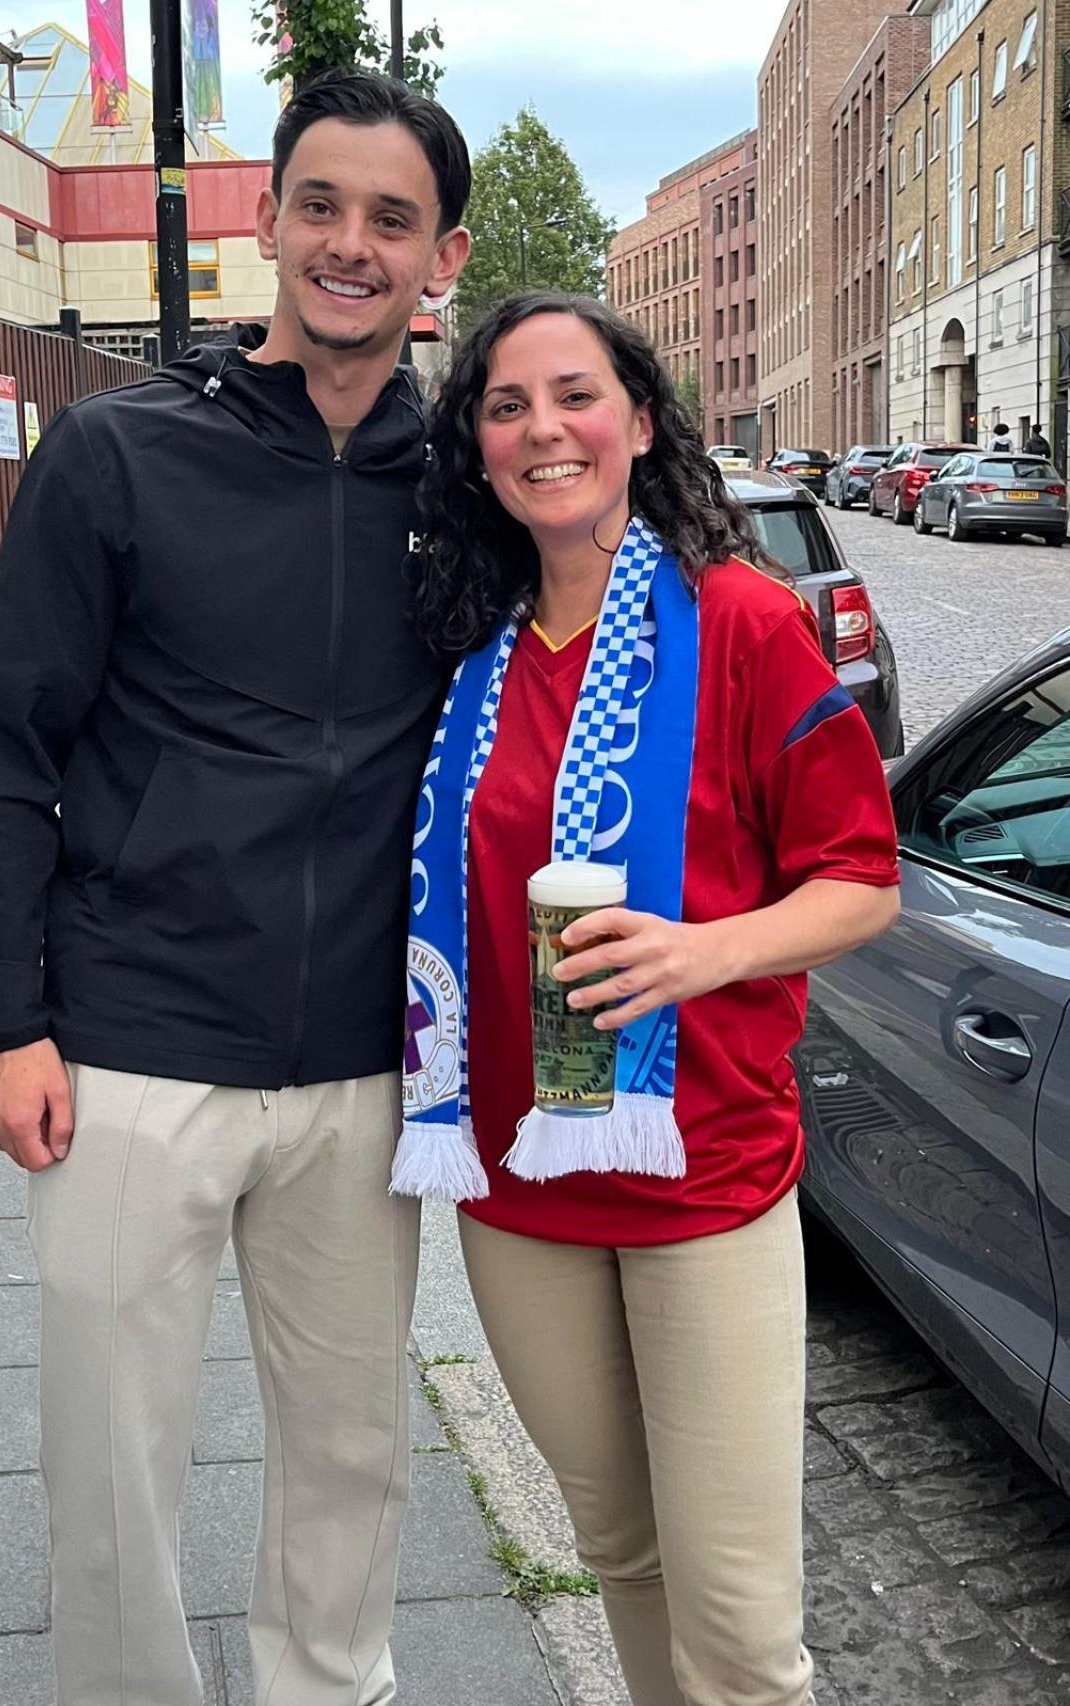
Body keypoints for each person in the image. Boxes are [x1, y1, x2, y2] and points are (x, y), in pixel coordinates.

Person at [0, 71, 470, 1706]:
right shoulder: (117, 453)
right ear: (267, 219)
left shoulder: (463, 493)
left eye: (391, 218)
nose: (350, 244)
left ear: (442, 256)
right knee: (111, 1463)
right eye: (321, 204)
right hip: (131, 1043)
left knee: (354, 1450)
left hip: (362, 1064)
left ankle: (333, 1687)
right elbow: (13, 739)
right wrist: (9, 1021)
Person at [390, 293, 900, 1706]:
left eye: (576, 395)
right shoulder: (468, 647)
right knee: (620, 1552)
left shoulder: (741, 621)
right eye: (505, 406)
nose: (543, 429)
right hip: (517, 1186)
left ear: (641, 421)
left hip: (705, 1176)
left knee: (739, 1633)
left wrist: (702, 951)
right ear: (476, 444)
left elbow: (862, 880)